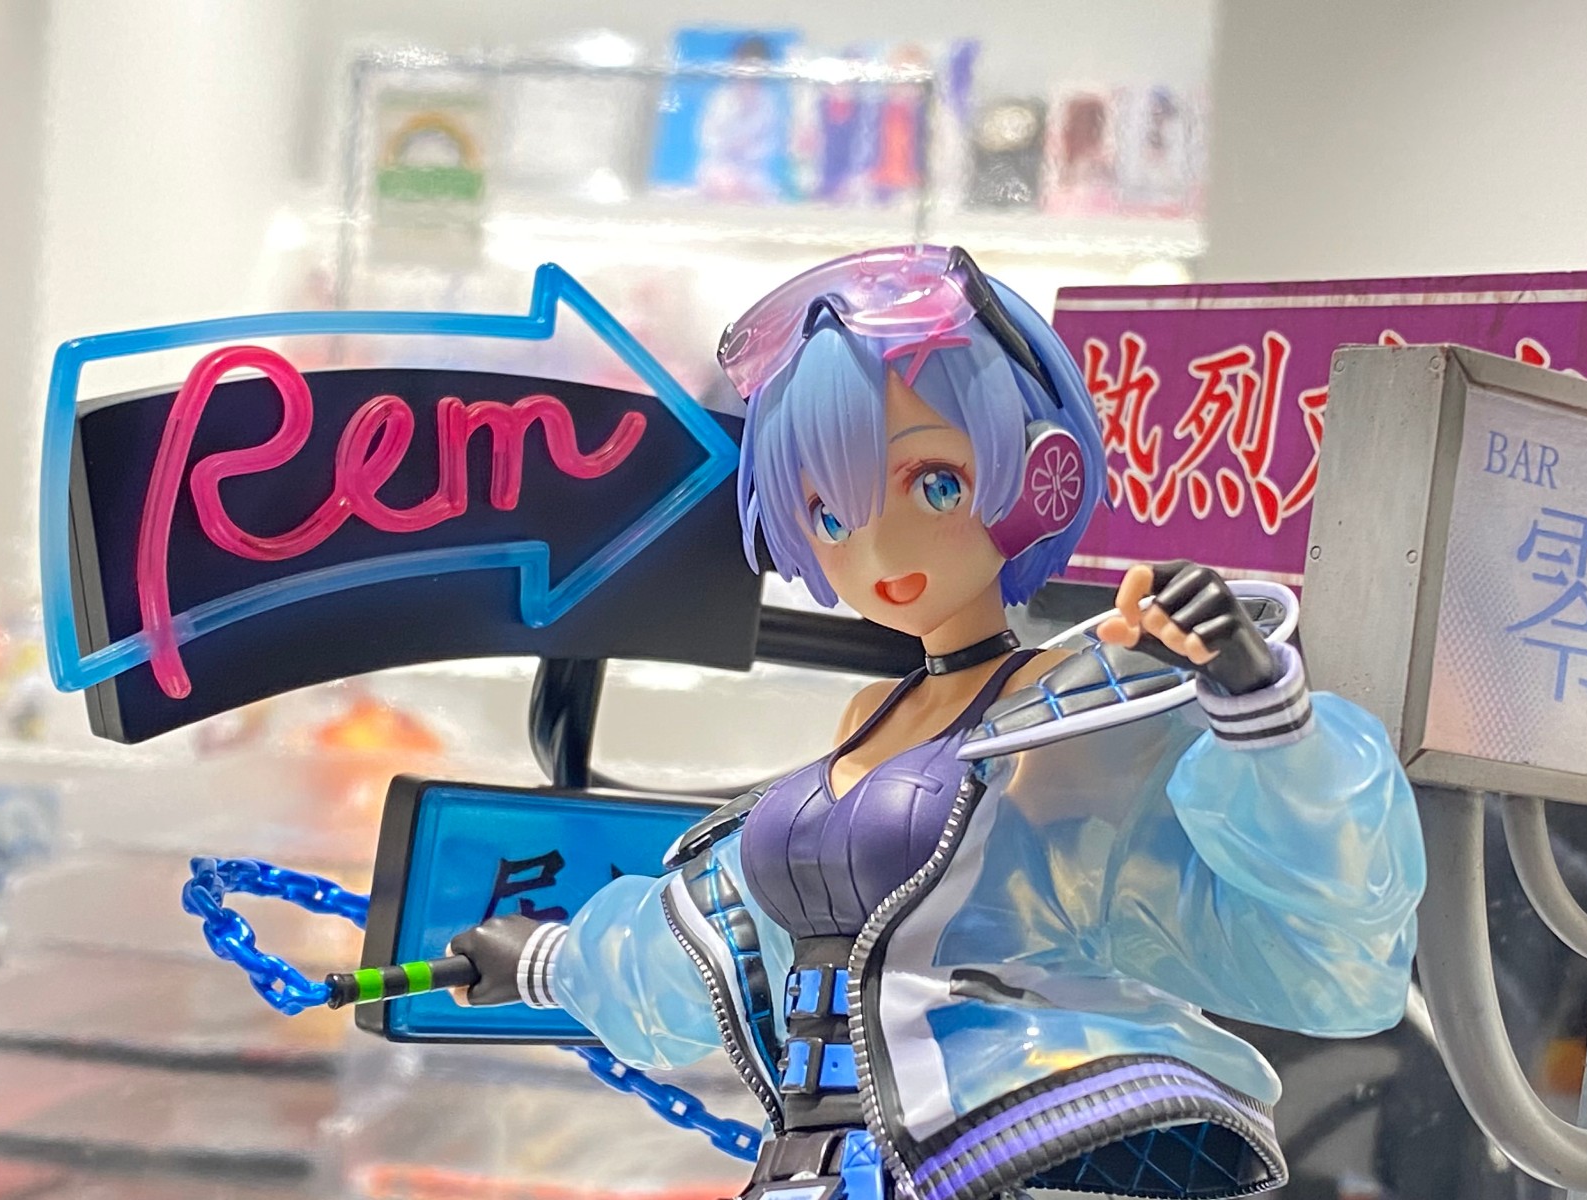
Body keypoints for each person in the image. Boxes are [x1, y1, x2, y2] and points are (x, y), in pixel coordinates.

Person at [448, 246, 1427, 1200]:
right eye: (830, 514)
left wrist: (1255, 702)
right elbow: (732, 933)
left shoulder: (1074, 713)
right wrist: (546, 963)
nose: (879, 552)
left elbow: (1329, 954)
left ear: (1040, 472)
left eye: (935, 486)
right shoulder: (868, 718)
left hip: (1006, 1149)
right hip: (817, 1162)